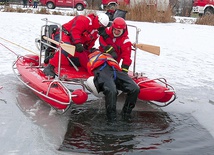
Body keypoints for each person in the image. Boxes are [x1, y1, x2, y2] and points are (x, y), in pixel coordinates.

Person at [43, 13, 110, 78]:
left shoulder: (96, 32)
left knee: (81, 57)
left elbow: (89, 43)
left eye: (102, 26)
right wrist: (78, 43)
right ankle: (50, 66)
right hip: (64, 33)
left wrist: (88, 49)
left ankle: (54, 57)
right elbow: (75, 31)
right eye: (100, 24)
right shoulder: (84, 20)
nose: (100, 27)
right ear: (97, 20)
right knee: (66, 47)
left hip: (74, 41)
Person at [87, 49, 140, 121]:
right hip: (102, 71)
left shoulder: (108, 55)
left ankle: (126, 114)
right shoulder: (90, 57)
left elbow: (125, 56)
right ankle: (111, 118)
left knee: (135, 88)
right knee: (111, 91)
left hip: (115, 70)